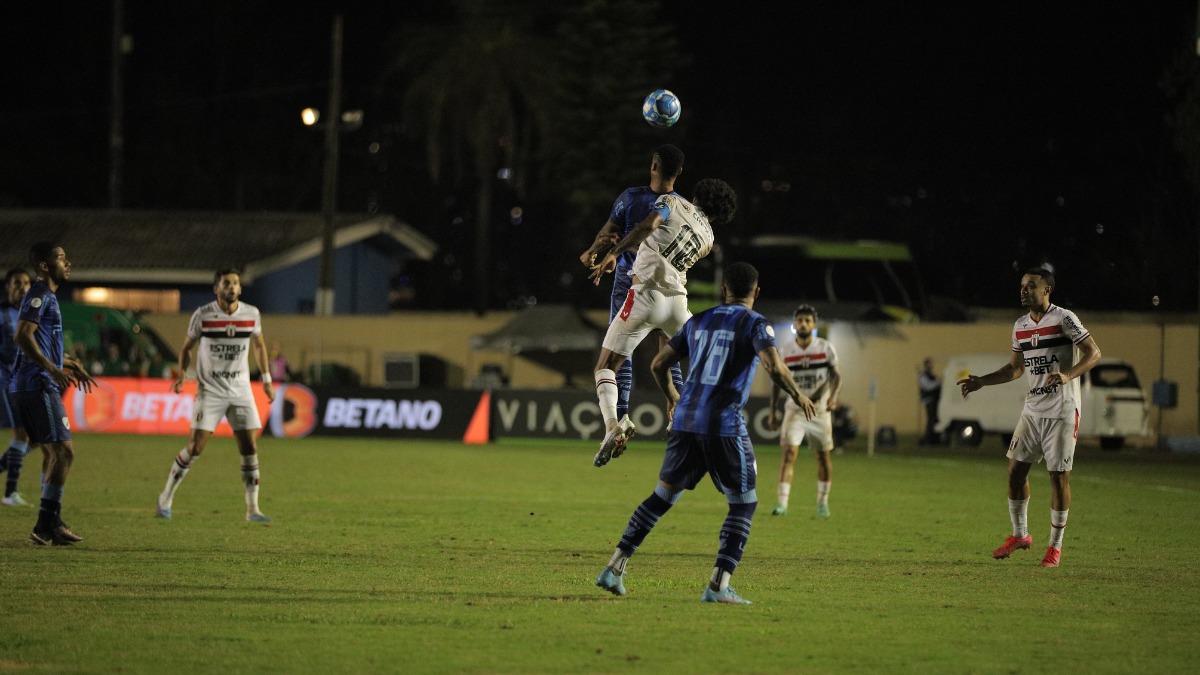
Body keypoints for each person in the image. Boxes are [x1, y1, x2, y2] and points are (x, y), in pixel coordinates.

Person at [594, 262, 815, 604]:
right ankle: (718, 586)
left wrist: (672, 397)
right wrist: (798, 394)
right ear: (756, 292)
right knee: (744, 503)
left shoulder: (699, 320)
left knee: (662, 496)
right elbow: (772, 365)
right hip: (722, 422)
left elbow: (658, 364)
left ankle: (614, 567)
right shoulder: (755, 323)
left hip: (685, 420)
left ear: (723, 290)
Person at [588, 177, 738, 468]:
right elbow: (663, 247)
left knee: (605, 366)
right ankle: (686, 414)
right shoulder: (708, 238)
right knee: (691, 363)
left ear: (697, 194)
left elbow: (648, 228)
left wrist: (613, 254)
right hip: (678, 306)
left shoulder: (671, 202)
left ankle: (611, 428)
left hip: (646, 294)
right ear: (720, 214)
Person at [957, 268, 1101, 568]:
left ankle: (1055, 548)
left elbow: (1093, 353)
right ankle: (1020, 535)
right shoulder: (1020, 325)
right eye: (1022, 286)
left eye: (1031, 286)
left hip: (1062, 411)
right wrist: (982, 381)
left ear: (1047, 290)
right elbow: (1015, 369)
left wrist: (1067, 374)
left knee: (1058, 479)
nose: (1023, 291)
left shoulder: (1064, 318)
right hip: (1032, 411)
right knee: (1014, 473)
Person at [579, 145, 687, 448]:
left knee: (616, 356)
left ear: (653, 165)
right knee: (671, 353)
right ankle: (678, 419)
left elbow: (609, 231)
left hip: (631, 284)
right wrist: (597, 250)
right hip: (671, 288)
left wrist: (595, 252)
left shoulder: (630, 197)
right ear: (679, 172)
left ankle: (618, 424)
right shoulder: (682, 207)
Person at [155, 269, 277, 523]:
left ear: (240, 289)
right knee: (195, 448)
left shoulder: (251, 313)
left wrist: (266, 380)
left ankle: (253, 509)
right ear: (216, 289)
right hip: (210, 390)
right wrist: (181, 376)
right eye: (226, 283)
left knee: (250, 447)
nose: (231, 287)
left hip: (241, 390)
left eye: (235, 283)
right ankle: (165, 497)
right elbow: (187, 347)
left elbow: (259, 345)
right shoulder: (203, 314)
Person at [8, 244, 95, 545]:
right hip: (37, 383)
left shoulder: (49, 297)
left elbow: (43, 343)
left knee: (52, 453)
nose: (67, 262)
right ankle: (48, 523)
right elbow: (22, 335)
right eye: (60, 258)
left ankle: (48, 523)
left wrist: (69, 363)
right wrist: (52, 369)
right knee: (63, 452)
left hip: (37, 380)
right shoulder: (39, 294)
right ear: (44, 266)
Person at [766, 305, 842, 517]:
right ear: (794, 324)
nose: (803, 324)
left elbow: (837, 376)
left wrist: (834, 396)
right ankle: (782, 503)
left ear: (814, 325)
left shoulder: (825, 348)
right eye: (800, 320)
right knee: (789, 454)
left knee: (823, 457)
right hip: (795, 409)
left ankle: (822, 502)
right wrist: (772, 410)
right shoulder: (786, 351)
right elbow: (776, 381)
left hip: (820, 410)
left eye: (808, 321)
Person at [0, 268, 33, 506]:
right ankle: (10, 493)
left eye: (26, 283)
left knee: (37, 437)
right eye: (17, 283)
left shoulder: (29, 315)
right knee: (22, 434)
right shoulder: (3, 314)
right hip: (3, 381)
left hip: (21, 383)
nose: (22, 287)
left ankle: (11, 492)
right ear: (7, 287)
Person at [918, 357, 941, 444]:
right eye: (930, 364)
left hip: (933, 400)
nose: (931, 365)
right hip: (929, 400)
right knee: (931, 419)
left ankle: (933, 438)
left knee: (934, 419)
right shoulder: (923, 375)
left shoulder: (930, 374)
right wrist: (938, 383)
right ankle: (928, 438)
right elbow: (927, 386)